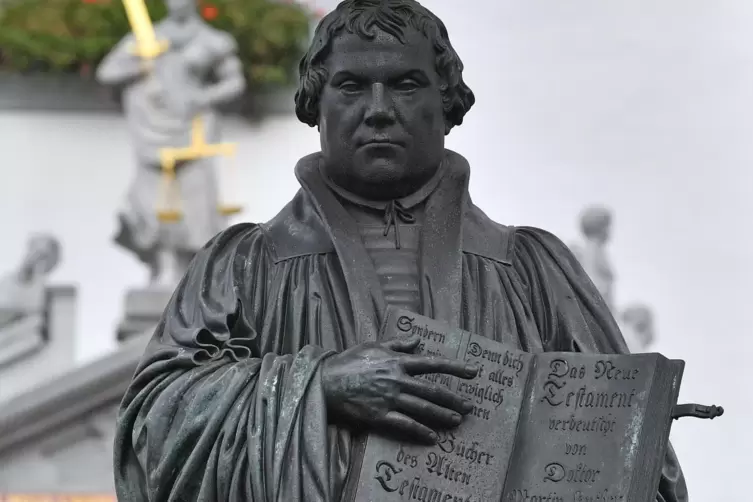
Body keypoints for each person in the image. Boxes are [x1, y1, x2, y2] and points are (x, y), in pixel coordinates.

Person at [113, 1, 687, 500]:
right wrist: (317, 388)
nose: (379, 108)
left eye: (406, 85)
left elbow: (643, 465)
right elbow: (149, 440)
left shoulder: (533, 271)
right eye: (352, 86)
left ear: (448, 103)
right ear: (318, 105)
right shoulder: (243, 266)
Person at [96, 0, 245, 287]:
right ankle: (163, 268)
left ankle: (194, 274)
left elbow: (234, 82)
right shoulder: (145, 37)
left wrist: (200, 99)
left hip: (194, 132)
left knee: (195, 204)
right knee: (153, 202)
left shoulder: (213, 41)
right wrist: (142, 63)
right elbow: (108, 72)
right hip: (153, 131)